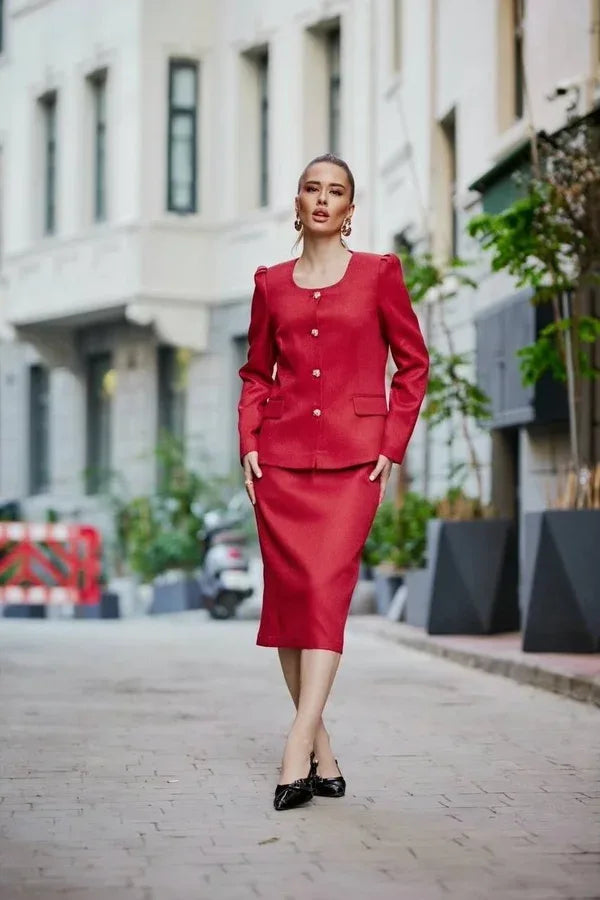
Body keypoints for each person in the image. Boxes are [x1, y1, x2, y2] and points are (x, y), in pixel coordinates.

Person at [237, 153, 429, 811]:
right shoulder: (270, 285)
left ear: (350, 208)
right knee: (293, 602)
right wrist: (248, 441)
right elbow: (256, 373)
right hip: (280, 463)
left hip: (354, 463)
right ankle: (321, 747)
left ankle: (295, 746)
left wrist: (392, 443)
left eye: (336, 191)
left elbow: (412, 365)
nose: (323, 199)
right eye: (312, 189)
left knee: (324, 591)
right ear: (298, 202)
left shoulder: (379, 274)